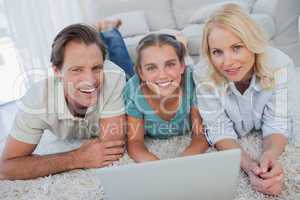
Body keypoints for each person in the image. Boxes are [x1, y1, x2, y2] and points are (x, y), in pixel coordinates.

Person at [0, 23, 126, 180]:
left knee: (120, 53)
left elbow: (111, 148)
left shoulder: (113, 77)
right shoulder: (38, 99)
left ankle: (110, 29)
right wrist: (75, 158)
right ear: (57, 71)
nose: (90, 80)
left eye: (96, 68)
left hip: (123, 73)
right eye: (77, 70)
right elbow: (5, 168)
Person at [193, 4, 294, 195]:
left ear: (253, 43)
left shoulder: (280, 65)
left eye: (236, 48)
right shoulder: (203, 73)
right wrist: (250, 167)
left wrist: (269, 155)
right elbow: (218, 128)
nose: (227, 62)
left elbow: (278, 122)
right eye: (217, 52)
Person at [125, 33, 209, 162]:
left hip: (186, 72)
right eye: (151, 67)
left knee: (190, 65)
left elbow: (200, 136)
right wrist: (158, 167)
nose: (162, 75)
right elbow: (135, 142)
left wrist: (182, 164)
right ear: (141, 73)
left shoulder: (193, 81)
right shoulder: (133, 91)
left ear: (181, 66)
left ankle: (182, 44)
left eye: (170, 64)